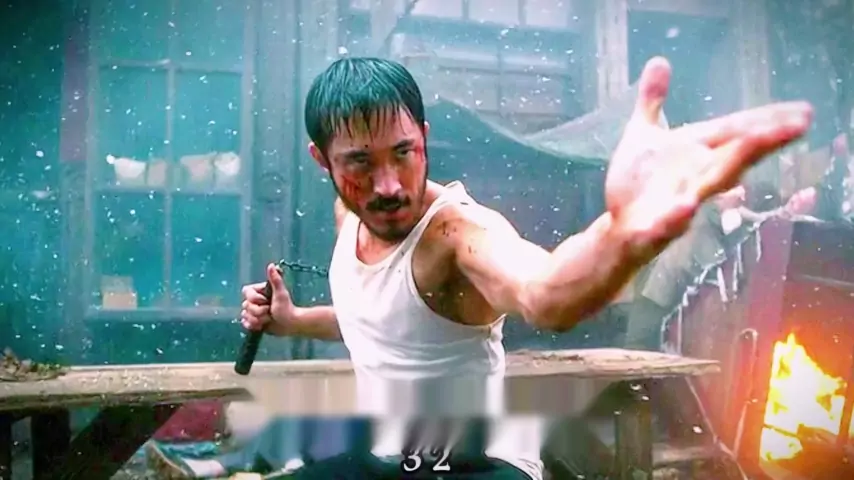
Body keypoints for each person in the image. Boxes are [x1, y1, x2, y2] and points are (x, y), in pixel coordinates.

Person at [239, 56, 811, 479]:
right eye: (361, 162)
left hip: (479, 463)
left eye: (403, 152)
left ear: (424, 139)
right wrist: (294, 320)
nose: (387, 185)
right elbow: (384, 322)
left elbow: (547, 293)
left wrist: (622, 234)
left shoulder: (456, 235)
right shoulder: (350, 217)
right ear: (324, 161)